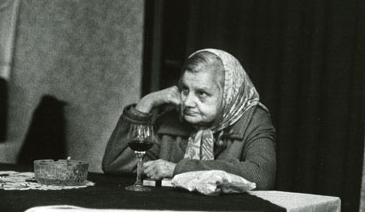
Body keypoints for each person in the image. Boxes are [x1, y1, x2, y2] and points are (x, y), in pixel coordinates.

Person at [101, 49, 276, 190]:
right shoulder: (173, 118)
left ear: (229, 95)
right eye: (185, 89)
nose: (188, 102)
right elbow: (116, 164)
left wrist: (178, 169)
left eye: (202, 93)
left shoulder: (253, 120)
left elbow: (261, 175)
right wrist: (147, 102)